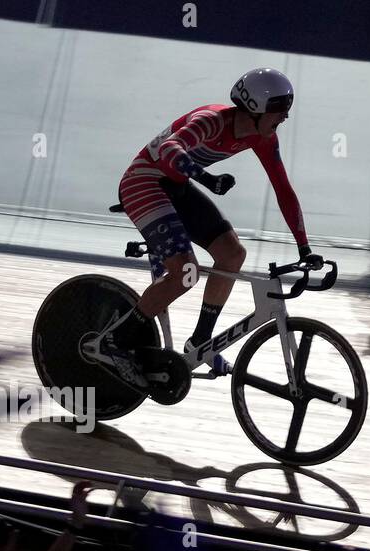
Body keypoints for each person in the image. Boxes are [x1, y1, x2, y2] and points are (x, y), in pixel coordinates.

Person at [105, 68, 321, 389]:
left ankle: (201, 343)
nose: (284, 119)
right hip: (145, 182)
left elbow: (283, 189)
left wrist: (304, 247)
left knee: (232, 254)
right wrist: (207, 179)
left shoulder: (262, 137)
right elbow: (169, 150)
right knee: (186, 273)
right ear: (256, 109)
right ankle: (115, 343)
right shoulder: (212, 120)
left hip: (175, 187)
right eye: (279, 112)